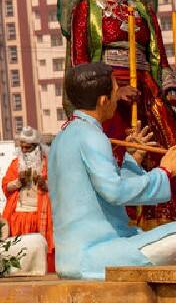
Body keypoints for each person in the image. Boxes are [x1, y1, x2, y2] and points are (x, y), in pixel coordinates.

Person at [58, 0, 176, 224]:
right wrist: (114, 90)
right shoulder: (87, 9)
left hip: (146, 88)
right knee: (114, 155)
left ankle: (162, 222)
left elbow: (158, 56)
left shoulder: (142, 10)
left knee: (168, 144)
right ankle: (124, 223)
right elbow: (80, 61)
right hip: (107, 91)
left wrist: (169, 88)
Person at [49, 62, 176, 279]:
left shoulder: (64, 136)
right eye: (116, 92)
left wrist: (132, 159)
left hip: (74, 257)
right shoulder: (91, 135)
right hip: (96, 255)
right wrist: (164, 172)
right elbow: (115, 191)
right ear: (103, 100)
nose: (118, 98)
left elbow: (102, 189)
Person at [2, 126, 55, 271]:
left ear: (37, 147)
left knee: (41, 253)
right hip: (18, 217)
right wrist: (19, 182)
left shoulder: (48, 164)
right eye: (22, 147)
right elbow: (6, 186)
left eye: (28, 148)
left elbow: (58, 187)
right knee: (19, 253)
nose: (24, 151)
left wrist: (44, 184)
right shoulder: (15, 164)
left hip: (40, 216)